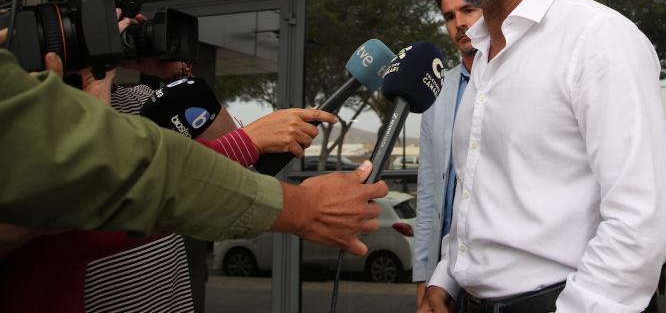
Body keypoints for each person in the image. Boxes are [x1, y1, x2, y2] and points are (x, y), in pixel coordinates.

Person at [420, 0, 666, 313]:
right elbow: (476, 192)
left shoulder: (596, 38)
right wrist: (444, 278)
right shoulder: (481, 57)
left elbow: (642, 222)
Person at [0, 47, 388, 253]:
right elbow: (102, 187)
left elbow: (209, 178)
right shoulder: (32, 125)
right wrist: (298, 204)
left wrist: (167, 72)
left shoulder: (147, 97)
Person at [414, 0, 482, 310]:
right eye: (449, 16)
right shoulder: (437, 91)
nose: (460, 23)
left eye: (468, 9)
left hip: (493, 267)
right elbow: (428, 191)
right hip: (443, 272)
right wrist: (424, 276)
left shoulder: (509, 80)